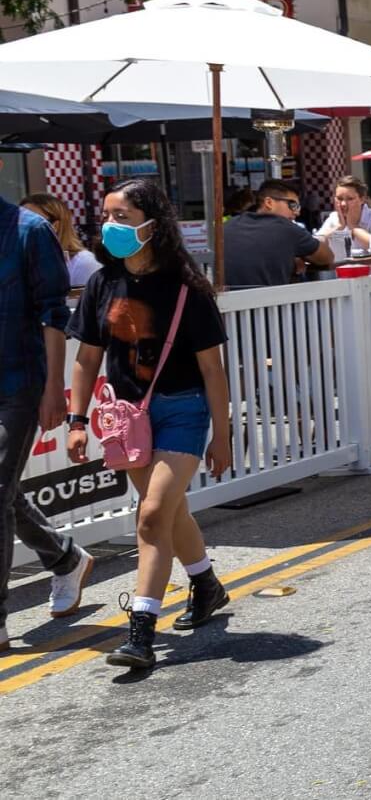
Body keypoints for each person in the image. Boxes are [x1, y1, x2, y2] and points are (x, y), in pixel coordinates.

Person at [66, 179, 232, 670]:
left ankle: (140, 632)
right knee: (168, 513)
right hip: (125, 416)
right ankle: (205, 584)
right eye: (107, 215)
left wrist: (221, 435)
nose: (110, 226)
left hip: (182, 409)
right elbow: (87, 357)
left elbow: (212, 370)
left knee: (152, 515)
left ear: (152, 226)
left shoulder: (187, 289)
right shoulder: (103, 282)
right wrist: (76, 421)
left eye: (122, 217)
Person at [1, 177, 97, 651]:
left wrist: (53, 388)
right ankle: (65, 558)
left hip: (17, 383)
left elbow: (53, 313)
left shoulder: (29, 229)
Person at [224, 180, 334, 289]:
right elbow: (327, 257)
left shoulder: (228, 226)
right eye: (293, 205)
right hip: (271, 303)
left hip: (227, 304)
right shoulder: (286, 228)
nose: (297, 212)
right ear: (269, 203)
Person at [21, 193, 102, 288]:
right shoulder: (19, 262)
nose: (22, 226)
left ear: (54, 226)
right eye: (19, 220)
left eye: (31, 221)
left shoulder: (84, 263)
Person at [315, 175, 371, 259]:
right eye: (339, 199)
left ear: (362, 199)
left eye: (350, 199)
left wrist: (353, 227)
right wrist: (337, 227)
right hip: (344, 271)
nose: (343, 204)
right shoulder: (334, 218)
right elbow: (312, 247)